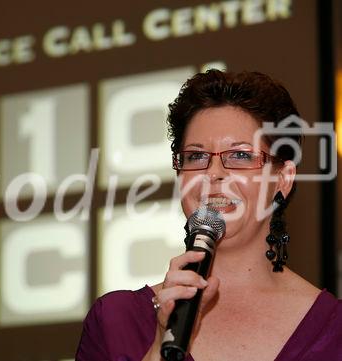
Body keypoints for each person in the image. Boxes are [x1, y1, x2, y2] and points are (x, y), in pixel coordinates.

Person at [75, 70, 342, 361]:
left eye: (240, 155)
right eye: (196, 156)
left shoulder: (334, 330)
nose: (213, 173)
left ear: (283, 179)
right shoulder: (116, 323)